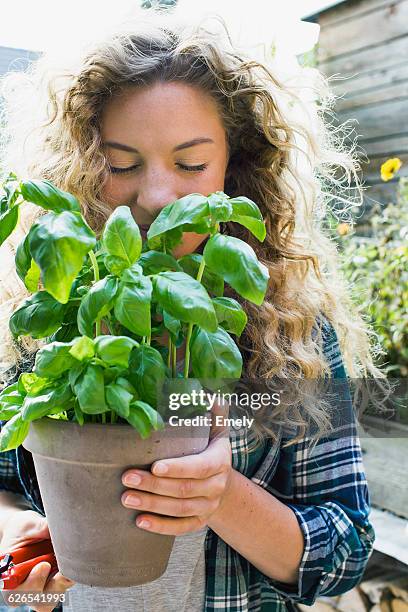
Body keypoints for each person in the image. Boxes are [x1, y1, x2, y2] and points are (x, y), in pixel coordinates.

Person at [0, 6, 382, 612]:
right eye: (120, 164)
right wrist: (16, 560)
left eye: (190, 163)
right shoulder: (43, 311)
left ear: (235, 164)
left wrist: (219, 495)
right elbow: (4, 492)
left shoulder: (296, 328)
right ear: (80, 163)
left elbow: (345, 550)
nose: (155, 195)